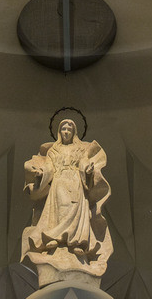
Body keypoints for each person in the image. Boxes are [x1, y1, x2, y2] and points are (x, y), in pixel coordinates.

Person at [21, 108, 112, 284]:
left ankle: (77, 243)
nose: (67, 131)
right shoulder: (54, 151)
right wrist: (41, 173)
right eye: (64, 129)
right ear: (59, 132)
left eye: (70, 129)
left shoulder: (80, 149)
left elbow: (84, 162)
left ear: (74, 132)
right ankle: (55, 240)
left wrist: (87, 169)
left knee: (77, 211)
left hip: (76, 183)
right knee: (60, 210)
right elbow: (48, 166)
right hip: (59, 182)